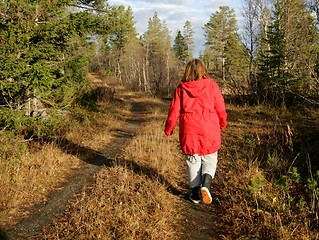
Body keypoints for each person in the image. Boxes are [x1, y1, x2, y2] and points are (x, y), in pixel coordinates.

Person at [164, 58, 227, 204]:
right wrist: (223, 123)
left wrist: (169, 128)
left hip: (189, 128)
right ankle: (206, 184)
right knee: (210, 158)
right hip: (209, 127)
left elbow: (174, 110)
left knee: (192, 160)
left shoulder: (181, 88)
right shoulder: (212, 85)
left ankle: (195, 194)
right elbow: (220, 107)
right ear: (203, 70)